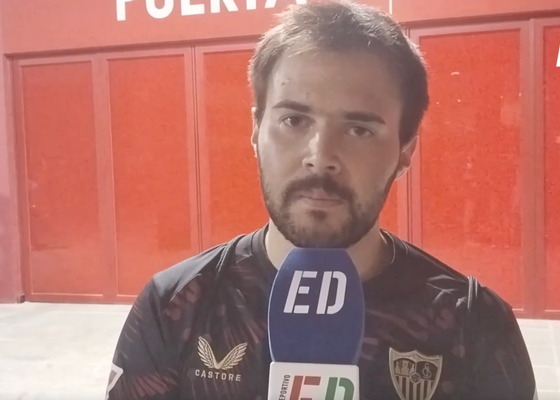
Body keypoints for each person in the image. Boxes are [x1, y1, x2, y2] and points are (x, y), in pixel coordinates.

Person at [105, 1, 537, 399]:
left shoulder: (473, 324)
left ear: (405, 150)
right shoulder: (175, 305)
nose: (320, 156)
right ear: (256, 131)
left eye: (359, 130)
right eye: (294, 120)